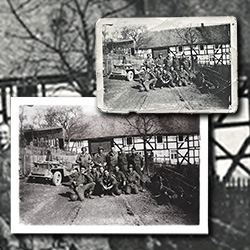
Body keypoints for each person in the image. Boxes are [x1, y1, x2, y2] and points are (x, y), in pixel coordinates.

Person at [0, 123, 19, 249]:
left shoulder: (12, 153)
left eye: (5, 132)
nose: (2, 135)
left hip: (8, 195)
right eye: (0, 133)